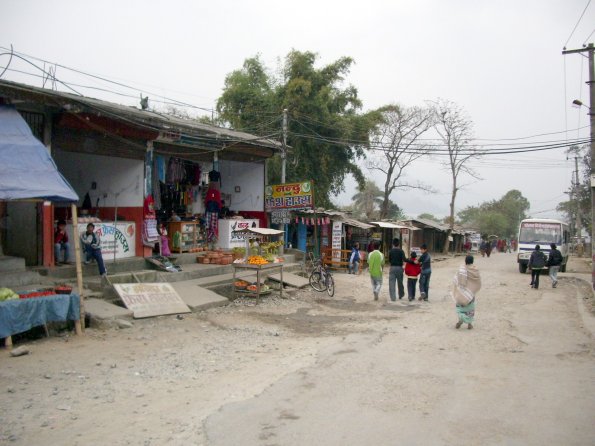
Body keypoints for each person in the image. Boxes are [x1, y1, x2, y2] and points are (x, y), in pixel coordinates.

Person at [453, 255, 481, 330]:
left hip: (461, 292)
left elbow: (456, 278)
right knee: (470, 308)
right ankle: (469, 324)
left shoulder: (461, 269)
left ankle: (460, 320)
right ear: (472, 261)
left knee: (461, 307)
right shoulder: (475, 270)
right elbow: (478, 282)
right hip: (470, 293)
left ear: (465, 261)